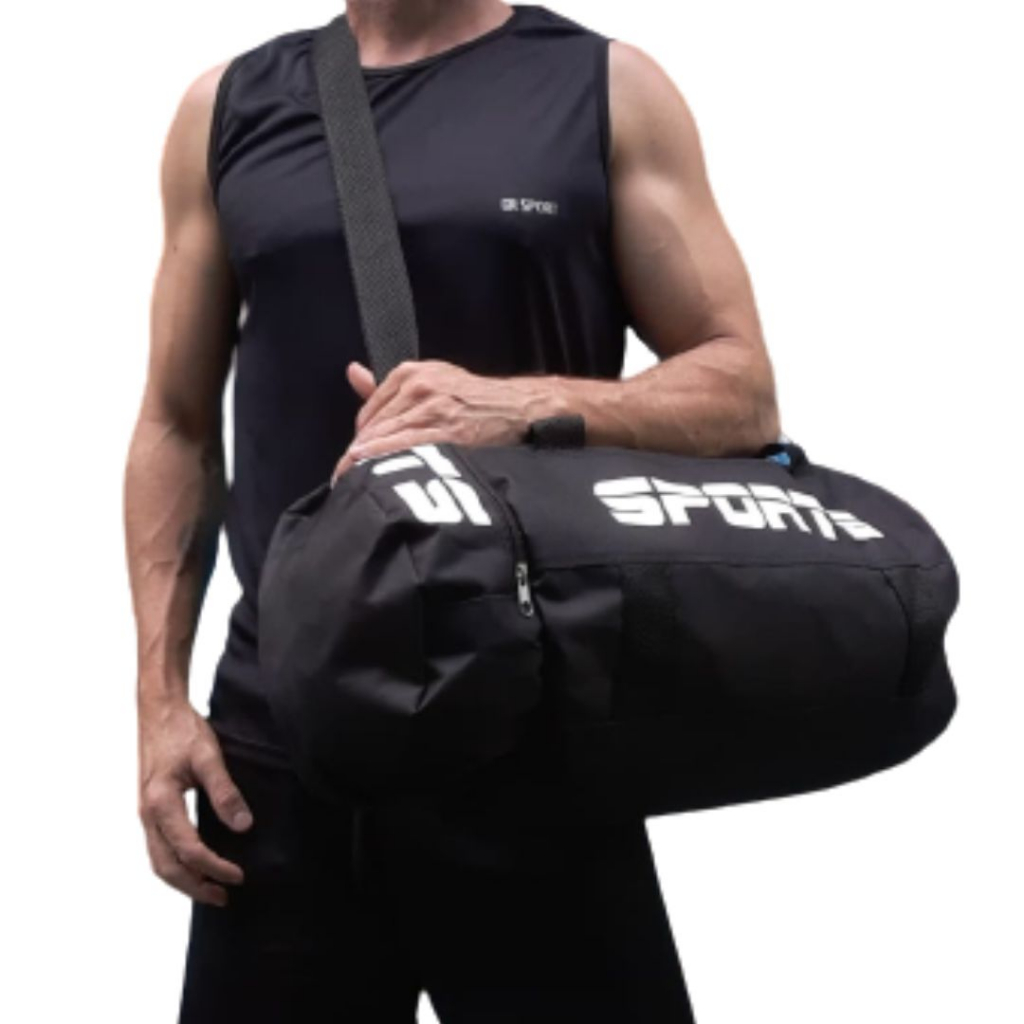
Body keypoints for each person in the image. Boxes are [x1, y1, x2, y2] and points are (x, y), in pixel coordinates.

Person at [123, 2, 781, 1021]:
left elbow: (742, 392)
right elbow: (175, 422)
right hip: (286, 731)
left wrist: (520, 406)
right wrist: (160, 704)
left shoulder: (606, 89)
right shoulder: (227, 109)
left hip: (530, 712)